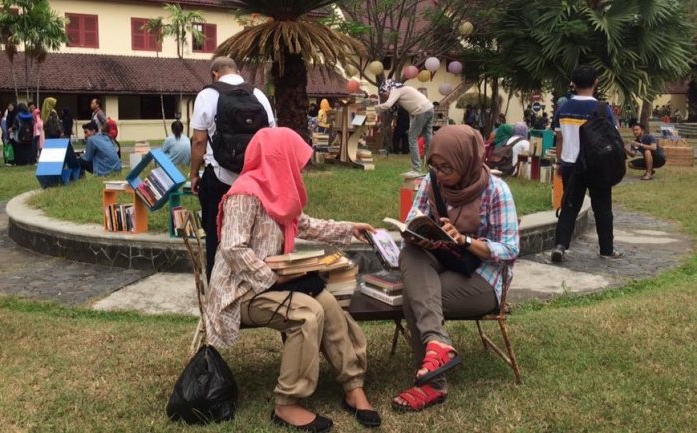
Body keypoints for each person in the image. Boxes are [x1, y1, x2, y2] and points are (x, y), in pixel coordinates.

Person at [205, 127, 380, 431]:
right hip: (240, 292)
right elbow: (233, 249)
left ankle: (353, 387)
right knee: (307, 314)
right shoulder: (245, 193)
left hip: (271, 284)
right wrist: (274, 278)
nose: (298, 167)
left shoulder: (278, 192)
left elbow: (305, 224)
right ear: (278, 158)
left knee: (328, 304)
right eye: (294, 159)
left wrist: (349, 229)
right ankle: (287, 404)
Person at [392, 125, 519, 412]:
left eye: (447, 167)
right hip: (443, 260)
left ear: (467, 161)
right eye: (435, 166)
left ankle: (432, 384)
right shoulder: (433, 182)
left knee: (414, 298)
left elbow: (510, 250)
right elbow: (414, 217)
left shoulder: (496, 191)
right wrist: (417, 234)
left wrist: (465, 240)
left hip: (482, 278)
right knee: (411, 254)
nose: (440, 173)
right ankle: (438, 347)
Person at [189, 56, 276, 280]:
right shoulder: (259, 96)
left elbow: (199, 141)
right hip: (254, 180)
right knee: (251, 236)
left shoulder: (206, 95)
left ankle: (217, 288)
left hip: (219, 177)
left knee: (216, 236)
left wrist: (193, 175)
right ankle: (251, 290)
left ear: (215, 73)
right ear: (238, 71)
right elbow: (272, 138)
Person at [551, 65, 625, 262]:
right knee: (602, 208)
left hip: (570, 164)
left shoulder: (563, 109)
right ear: (596, 83)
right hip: (598, 165)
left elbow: (559, 139)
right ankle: (606, 249)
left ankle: (560, 246)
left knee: (569, 206)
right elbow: (611, 136)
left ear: (573, 84)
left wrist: (559, 162)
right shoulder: (603, 109)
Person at [375, 79, 434, 173]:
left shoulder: (395, 89)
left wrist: (374, 108)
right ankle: (431, 168)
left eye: (384, 93)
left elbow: (387, 105)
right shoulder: (403, 88)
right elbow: (411, 109)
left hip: (421, 111)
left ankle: (416, 168)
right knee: (428, 140)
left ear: (387, 88)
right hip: (429, 108)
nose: (385, 96)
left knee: (412, 138)